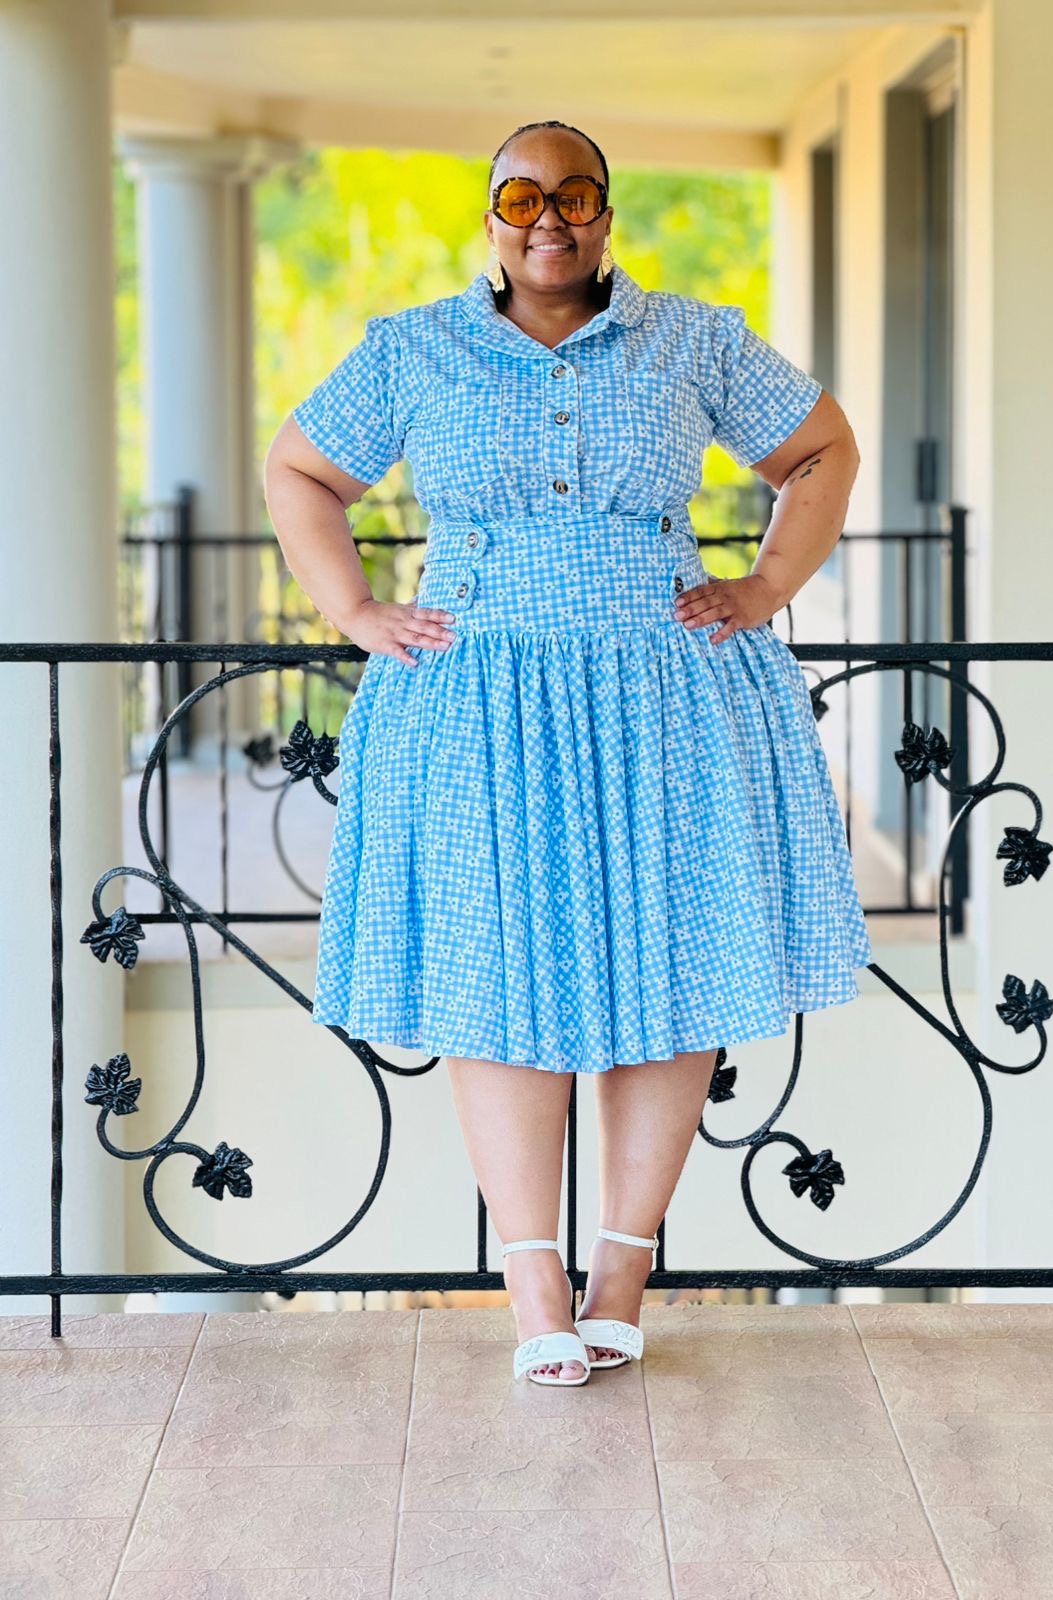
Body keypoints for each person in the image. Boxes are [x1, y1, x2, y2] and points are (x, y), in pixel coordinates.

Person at [264, 119, 872, 1388]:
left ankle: (623, 1266)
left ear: (606, 212)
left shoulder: (693, 338)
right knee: (499, 975)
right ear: (491, 216)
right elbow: (301, 471)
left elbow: (823, 448)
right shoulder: (415, 348)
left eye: (577, 193)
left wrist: (766, 584)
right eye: (523, 196)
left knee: (673, 965)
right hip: (478, 699)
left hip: (667, 693)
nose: (551, 217)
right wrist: (357, 611)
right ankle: (533, 1278)